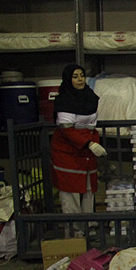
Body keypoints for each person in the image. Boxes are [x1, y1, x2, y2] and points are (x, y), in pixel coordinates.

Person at [51, 64, 105, 237]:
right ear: (68, 79)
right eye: (75, 76)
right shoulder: (64, 100)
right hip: (68, 151)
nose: (80, 79)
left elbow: (90, 125)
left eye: (82, 75)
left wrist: (92, 144)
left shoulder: (89, 97)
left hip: (86, 152)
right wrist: (89, 144)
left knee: (89, 189)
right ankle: (74, 232)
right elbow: (66, 130)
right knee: (71, 192)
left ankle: (89, 227)